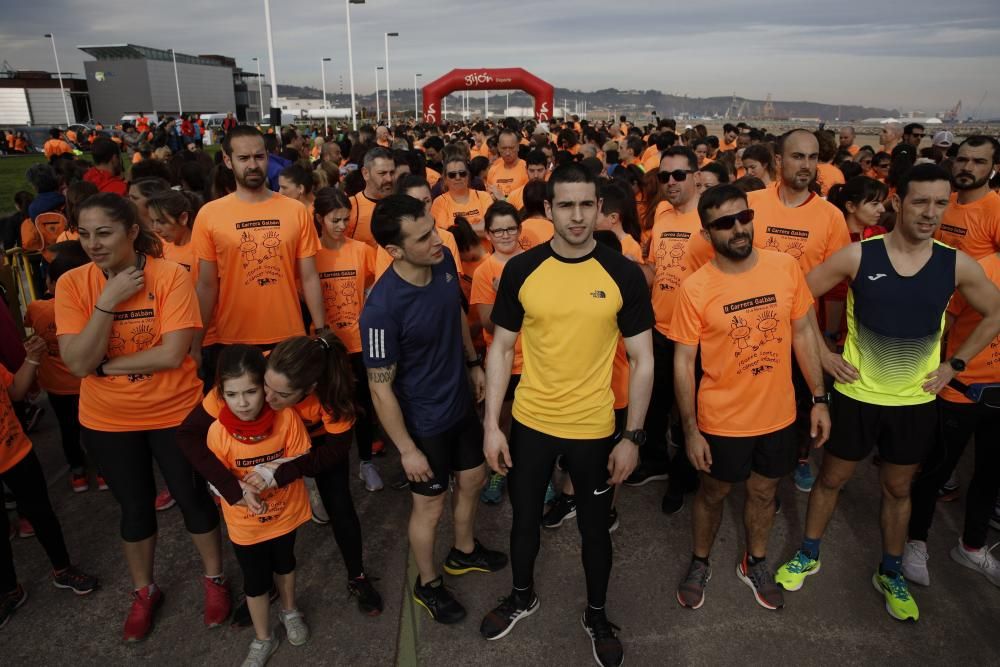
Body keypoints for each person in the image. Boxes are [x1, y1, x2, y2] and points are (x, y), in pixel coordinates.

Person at [775, 164, 1000, 622]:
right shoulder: (860, 256)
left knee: (899, 489)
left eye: (941, 203)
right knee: (832, 479)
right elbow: (796, 300)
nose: (931, 213)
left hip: (914, 402)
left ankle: (891, 571)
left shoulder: (954, 263)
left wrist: (953, 365)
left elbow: (995, 312)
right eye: (921, 201)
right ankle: (809, 552)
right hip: (858, 395)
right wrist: (822, 353)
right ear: (899, 201)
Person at [480, 163, 654, 667]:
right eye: (566, 205)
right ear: (548, 209)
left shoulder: (621, 272)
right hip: (532, 421)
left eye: (586, 205)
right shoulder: (521, 269)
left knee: (596, 532)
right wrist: (493, 424)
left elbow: (643, 360)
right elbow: (500, 348)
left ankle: (596, 614)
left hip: (595, 428)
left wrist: (633, 436)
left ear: (600, 208)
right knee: (523, 523)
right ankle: (521, 595)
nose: (577, 216)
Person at [55, 193, 229, 641]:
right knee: (134, 509)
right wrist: (108, 301)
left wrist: (104, 365)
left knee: (193, 501)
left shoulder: (169, 275)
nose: (93, 243)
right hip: (108, 421)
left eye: (104, 232)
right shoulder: (74, 284)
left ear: (132, 232)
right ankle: (144, 591)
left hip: (176, 412)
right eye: (85, 233)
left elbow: (172, 354)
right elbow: (74, 363)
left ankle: (214, 580)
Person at [671, 184, 829, 612]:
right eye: (725, 223)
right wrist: (690, 430)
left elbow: (802, 332)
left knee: (763, 494)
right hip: (721, 421)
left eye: (744, 218)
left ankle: (754, 561)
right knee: (712, 493)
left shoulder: (784, 267)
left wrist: (818, 397)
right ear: (707, 234)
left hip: (778, 416)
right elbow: (683, 363)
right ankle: (700, 561)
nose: (739, 229)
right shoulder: (696, 288)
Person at [361, 194, 506, 625]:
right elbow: (380, 389)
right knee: (430, 507)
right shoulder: (382, 309)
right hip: (423, 423)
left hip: (459, 402)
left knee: (475, 477)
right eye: (423, 236)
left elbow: (456, 313)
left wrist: (473, 362)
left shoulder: (441, 263)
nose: (436, 239)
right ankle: (428, 584)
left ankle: (463, 552)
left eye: (433, 227)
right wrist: (406, 450)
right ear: (394, 251)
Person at [748, 129, 850, 493]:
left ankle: (801, 457)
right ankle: (758, 467)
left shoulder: (831, 217)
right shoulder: (751, 203)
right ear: (778, 161)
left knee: (802, 399)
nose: (806, 165)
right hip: (753, 327)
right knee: (757, 398)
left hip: (802, 328)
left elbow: (838, 285)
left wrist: (830, 337)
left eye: (812, 157)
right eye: (797, 156)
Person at [191, 125, 327, 381]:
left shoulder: (295, 211)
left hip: (288, 336)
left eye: (259, 156)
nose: (252, 165)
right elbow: (207, 285)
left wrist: (321, 330)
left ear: (268, 156)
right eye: (244, 158)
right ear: (227, 160)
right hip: (233, 338)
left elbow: (309, 277)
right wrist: (196, 343)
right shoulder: (210, 214)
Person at [205, 346, 312, 666]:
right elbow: (213, 478)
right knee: (254, 580)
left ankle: (290, 611)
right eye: (232, 394)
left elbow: (303, 454)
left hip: (285, 514)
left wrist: (270, 470)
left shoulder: (287, 418)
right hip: (245, 524)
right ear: (221, 394)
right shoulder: (217, 432)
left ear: (265, 388)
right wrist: (237, 489)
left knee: (286, 564)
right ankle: (263, 636)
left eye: (251, 391)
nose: (243, 402)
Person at [903, 242, 1000, 588]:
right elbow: (948, 320)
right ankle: (915, 542)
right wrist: (940, 367)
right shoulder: (983, 268)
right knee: (936, 470)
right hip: (962, 388)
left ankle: (972, 546)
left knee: (990, 475)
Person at [0, 334, 99, 629]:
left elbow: (16, 392)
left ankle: (63, 569)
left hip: (17, 453)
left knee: (42, 514)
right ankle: (9, 590)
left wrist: (32, 358)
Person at [636, 147, 714, 512]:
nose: (670, 183)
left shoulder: (710, 219)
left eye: (678, 175)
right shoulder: (663, 216)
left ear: (697, 176)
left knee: (689, 410)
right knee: (655, 402)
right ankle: (654, 462)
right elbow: (654, 268)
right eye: (664, 176)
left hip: (695, 336)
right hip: (659, 326)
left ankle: (684, 478)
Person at [311, 187, 383, 491]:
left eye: (345, 219)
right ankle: (326, 472)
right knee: (328, 408)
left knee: (362, 405)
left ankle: (366, 461)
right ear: (318, 218)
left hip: (358, 343)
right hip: (325, 346)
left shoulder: (361, 250)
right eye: (335, 220)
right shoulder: (309, 255)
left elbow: (375, 286)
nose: (342, 226)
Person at [24, 241, 92, 492]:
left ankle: (78, 474)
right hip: (85, 381)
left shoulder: (36, 308)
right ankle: (105, 472)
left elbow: (29, 321)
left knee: (67, 428)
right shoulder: (88, 308)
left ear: (51, 283)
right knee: (91, 428)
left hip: (56, 387)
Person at [471, 202, 527, 505]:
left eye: (510, 228)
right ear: (488, 235)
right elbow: (488, 324)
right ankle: (498, 471)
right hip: (503, 362)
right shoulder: (484, 271)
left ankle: (535, 477)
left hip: (536, 360)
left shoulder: (535, 262)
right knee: (501, 422)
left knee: (533, 427)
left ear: (519, 229)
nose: (505, 235)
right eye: (498, 230)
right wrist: (509, 294)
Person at [934, 136, 1000, 259]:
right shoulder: (940, 203)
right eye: (962, 160)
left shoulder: (996, 210)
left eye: (979, 162)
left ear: (995, 168)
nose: (967, 168)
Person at [431, 155, 494, 237]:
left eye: (462, 173)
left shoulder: (483, 197)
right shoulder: (439, 202)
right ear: (445, 179)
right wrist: (479, 226)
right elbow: (445, 235)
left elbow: (492, 228)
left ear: (468, 176)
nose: (458, 177)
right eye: (452, 175)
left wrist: (457, 229)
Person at [346, 147, 396, 248]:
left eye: (392, 173)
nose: (389, 179)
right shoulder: (350, 208)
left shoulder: (402, 204)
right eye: (382, 173)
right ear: (366, 173)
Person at [487, 129, 529, 200]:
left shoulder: (526, 169)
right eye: (504, 148)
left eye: (511, 148)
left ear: (518, 147)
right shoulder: (493, 169)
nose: (507, 153)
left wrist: (502, 199)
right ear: (498, 147)